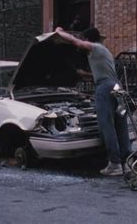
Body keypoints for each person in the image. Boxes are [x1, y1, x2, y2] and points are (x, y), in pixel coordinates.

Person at [55, 26, 130, 176]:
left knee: (106, 125)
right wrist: (85, 74)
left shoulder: (94, 47)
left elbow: (77, 43)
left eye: (84, 40)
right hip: (116, 86)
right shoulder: (104, 50)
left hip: (105, 88)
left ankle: (114, 164)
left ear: (88, 40)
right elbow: (103, 72)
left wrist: (60, 33)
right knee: (120, 124)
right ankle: (125, 163)